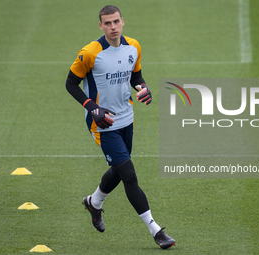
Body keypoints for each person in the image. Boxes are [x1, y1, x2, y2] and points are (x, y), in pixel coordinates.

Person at [65, 5, 175, 249]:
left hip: (127, 118)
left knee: (118, 167)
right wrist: (93, 108)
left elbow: (135, 76)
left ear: (123, 22)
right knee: (129, 174)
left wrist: (143, 89)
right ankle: (156, 231)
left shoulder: (133, 46)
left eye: (116, 22)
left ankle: (94, 202)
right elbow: (71, 83)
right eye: (107, 23)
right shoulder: (90, 52)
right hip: (102, 123)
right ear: (101, 26)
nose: (112, 27)